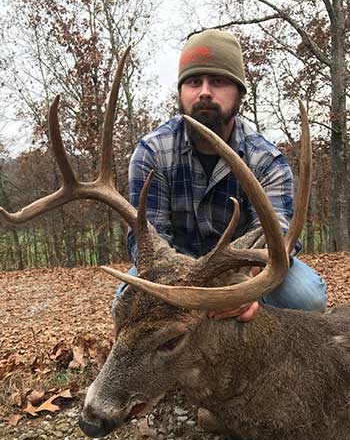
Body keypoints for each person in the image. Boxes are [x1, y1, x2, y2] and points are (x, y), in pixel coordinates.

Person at [112, 29, 327, 320]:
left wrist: (246, 286)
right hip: (173, 269)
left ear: (239, 92)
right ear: (181, 92)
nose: (204, 91)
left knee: (306, 296)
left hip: (241, 269)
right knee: (123, 307)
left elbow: (279, 234)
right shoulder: (153, 151)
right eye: (193, 81)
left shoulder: (266, 159)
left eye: (218, 81)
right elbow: (146, 238)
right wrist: (185, 285)